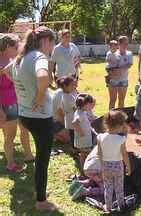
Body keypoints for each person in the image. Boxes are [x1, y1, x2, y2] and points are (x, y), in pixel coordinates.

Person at [7, 26, 58, 211]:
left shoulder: (20, 58)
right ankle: (41, 201)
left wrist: (24, 92)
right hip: (40, 117)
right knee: (42, 160)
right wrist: (37, 98)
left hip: (25, 115)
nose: (53, 47)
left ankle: (39, 190)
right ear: (45, 41)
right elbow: (44, 78)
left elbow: (5, 71)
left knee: (41, 157)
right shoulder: (38, 57)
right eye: (53, 42)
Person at [0, 33, 34, 172]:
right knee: (10, 136)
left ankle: (28, 155)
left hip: (18, 100)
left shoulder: (11, 58)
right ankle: (10, 163)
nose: (18, 48)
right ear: (7, 46)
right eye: (16, 46)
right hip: (7, 103)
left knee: (24, 128)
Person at [97, 110, 131, 213]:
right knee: (119, 186)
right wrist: (128, 166)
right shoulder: (121, 139)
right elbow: (124, 154)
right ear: (119, 126)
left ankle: (108, 207)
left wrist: (102, 165)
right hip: (118, 165)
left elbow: (99, 153)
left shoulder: (100, 137)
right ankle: (121, 205)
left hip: (106, 165)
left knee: (108, 187)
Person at [72, 94, 95, 175]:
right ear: (85, 104)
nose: (91, 106)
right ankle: (85, 170)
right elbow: (75, 123)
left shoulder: (81, 112)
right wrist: (81, 133)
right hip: (83, 140)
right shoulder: (80, 114)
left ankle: (84, 169)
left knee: (83, 155)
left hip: (83, 139)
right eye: (90, 104)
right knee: (85, 154)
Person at [108, 36, 133, 109]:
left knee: (121, 101)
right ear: (119, 44)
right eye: (124, 43)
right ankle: (110, 118)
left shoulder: (129, 53)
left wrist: (118, 69)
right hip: (113, 80)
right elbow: (108, 65)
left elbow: (129, 64)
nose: (126, 45)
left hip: (124, 80)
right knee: (112, 100)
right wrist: (112, 71)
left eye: (127, 44)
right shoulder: (112, 53)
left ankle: (120, 118)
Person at [58, 76, 78, 148]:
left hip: (69, 118)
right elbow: (75, 108)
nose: (74, 86)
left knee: (73, 134)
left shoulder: (66, 94)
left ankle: (74, 147)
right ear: (64, 86)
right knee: (74, 134)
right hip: (71, 118)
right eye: (72, 85)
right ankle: (75, 148)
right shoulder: (68, 97)